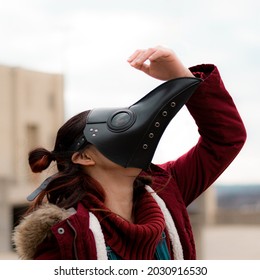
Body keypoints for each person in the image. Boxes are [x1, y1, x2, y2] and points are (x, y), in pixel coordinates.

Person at [13, 46, 246, 260]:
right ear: (84, 157)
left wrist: (183, 80)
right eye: (118, 123)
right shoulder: (65, 240)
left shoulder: (167, 189)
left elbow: (226, 139)